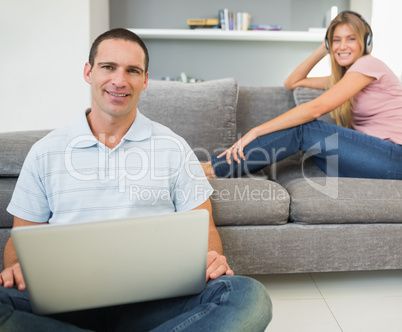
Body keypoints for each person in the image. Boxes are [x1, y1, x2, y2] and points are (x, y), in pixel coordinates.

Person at [0, 28, 272, 331]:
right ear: (89, 72)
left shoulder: (173, 147)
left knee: (248, 295)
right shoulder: (46, 151)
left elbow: (204, 226)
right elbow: (20, 238)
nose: (119, 80)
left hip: (156, 303)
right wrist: (16, 267)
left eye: (132, 70)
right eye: (108, 67)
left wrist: (212, 258)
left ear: (145, 80)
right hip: (67, 304)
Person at [202, 11, 402, 180]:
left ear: (366, 43)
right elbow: (292, 82)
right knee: (308, 146)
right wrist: (324, 49)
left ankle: (214, 169)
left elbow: (316, 109)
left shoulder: (368, 64)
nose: (342, 46)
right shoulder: (343, 79)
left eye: (351, 39)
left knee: (304, 130)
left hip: (393, 157)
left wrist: (256, 131)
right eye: (336, 40)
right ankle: (222, 165)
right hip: (376, 158)